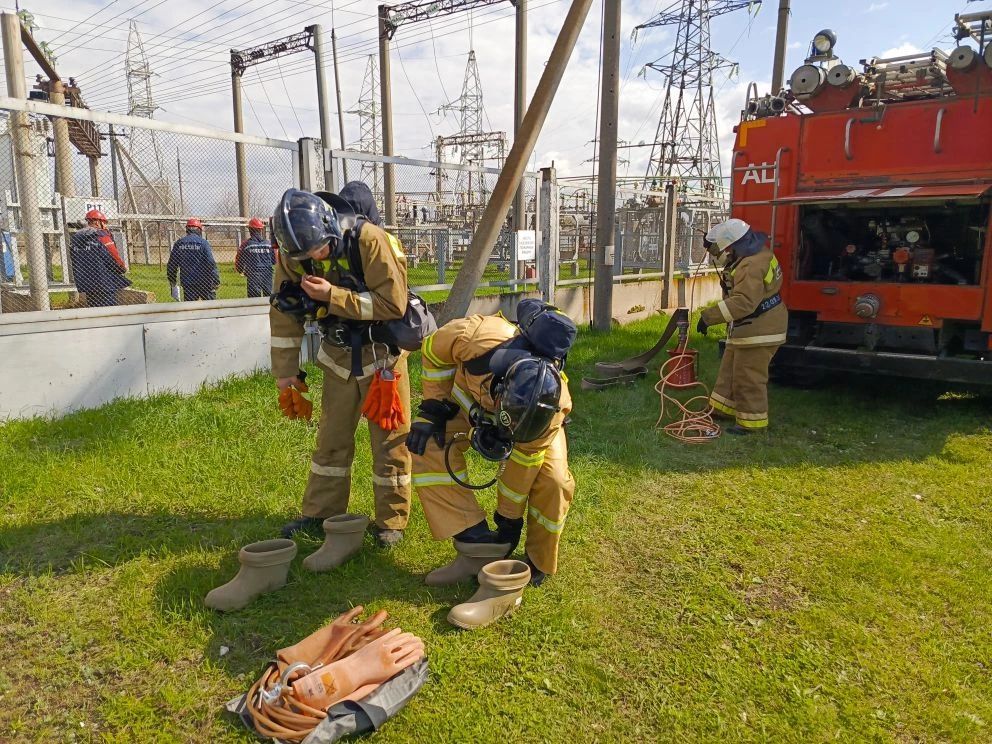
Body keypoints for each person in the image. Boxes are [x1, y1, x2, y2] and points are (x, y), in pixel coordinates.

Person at [270, 181, 412, 548]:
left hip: (382, 358)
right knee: (330, 441)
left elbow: (393, 305)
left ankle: (391, 522)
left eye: (317, 250)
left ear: (328, 226)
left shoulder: (371, 241)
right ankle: (321, 513)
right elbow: (284, 311)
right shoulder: (293, 252)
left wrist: (331, 295)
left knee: (390, 443)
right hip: (337, 358)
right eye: (304, 255)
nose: (312, 258)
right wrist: (286, 372)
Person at [405, 299, 577, 589]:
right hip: (466, 403)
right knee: (427, 444)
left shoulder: (551, 411)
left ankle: (538, 561)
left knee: (554, 481)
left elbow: (520, 471)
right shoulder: (476, 338)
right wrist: (433, 409)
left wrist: (509, 522)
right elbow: (433, 350)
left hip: (532, 432)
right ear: (502, 384)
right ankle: (474, 540)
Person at [697, 218, 788, 434]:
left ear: (733, 245)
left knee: (748, 377)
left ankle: (751, 424)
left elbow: (744, 302)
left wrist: (708, 317)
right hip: (752, 326)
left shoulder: (750, 265)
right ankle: (722, 409)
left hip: (759, 329)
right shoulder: (758, 253)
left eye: (722, 249)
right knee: (729, 370)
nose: (722, 254)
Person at [69, 209, 130, 307]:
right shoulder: (101, 235)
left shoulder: (77, 237)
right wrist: (121, 268)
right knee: (109, 310)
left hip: (86, 282)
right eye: (104, 223)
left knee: (95, 309)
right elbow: (113, 256)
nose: (105, 226)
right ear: (98, 222)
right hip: (104, 282)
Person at [167, 218, 220, 301]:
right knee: (210, 305)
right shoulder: (203, 243)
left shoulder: (179, 244)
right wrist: (216, 280)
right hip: (205, 281)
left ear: (187, 230)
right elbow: (210, 263)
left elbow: (172, 264)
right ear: (199, 230)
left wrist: (172, 280)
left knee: (190, 306)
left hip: (188, 282)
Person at [236, 216, 276, 298]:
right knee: (269, 297)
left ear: (250, 230)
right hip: (267, 273)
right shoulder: (268, 244)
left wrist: (240, 270)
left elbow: (239, 259)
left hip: (253, 273)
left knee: (254, 299)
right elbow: (274, 260)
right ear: (260, 229)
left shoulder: (246, 244)